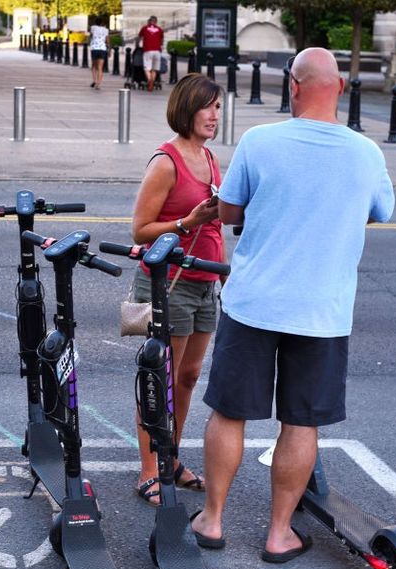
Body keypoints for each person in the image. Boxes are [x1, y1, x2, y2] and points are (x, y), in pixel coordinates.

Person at [190, 48, 394, 561]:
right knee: (301, 422)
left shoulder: (261, 141)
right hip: (321, 311)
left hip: (255, 302)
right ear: (341, 90)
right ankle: (279, 533)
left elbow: (230, 208)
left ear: (293, 87)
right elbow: (380, 212)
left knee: (229, 413)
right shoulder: (366, 153)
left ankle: (212, 520)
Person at [129, 73, 224, 505]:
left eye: (219, 107)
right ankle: (150, 470)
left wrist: (225, 273)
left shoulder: (209, 158)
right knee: (161, 378)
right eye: (208, 106)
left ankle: (170, 458)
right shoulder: (166, 162)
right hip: (171, 283)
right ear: (187, 108)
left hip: (205, 282)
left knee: (187, 378)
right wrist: (189, 222)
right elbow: (141, 230)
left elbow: (215, 225)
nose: (215, 115)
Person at [137, 16, 165, 91]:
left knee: (146, 68)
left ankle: (150, 80)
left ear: (149, 21)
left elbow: (139, 37)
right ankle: (152, 80)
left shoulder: (144, 28)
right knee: (154, 69)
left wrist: (137, 46)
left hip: (148, 50)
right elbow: (162, 40)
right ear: (156, 22)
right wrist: (160, 46)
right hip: (157, 51)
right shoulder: (160, 29)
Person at [89, 19, 109, 90]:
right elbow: (107, 41)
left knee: (94, 66)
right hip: (102, 49)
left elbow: (91, 36)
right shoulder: (105, 30)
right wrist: (109, 49)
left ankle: (94, 80)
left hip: (94, 48)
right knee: (100, 67)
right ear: (102, 23)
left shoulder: (93, 28)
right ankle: (98, 84)